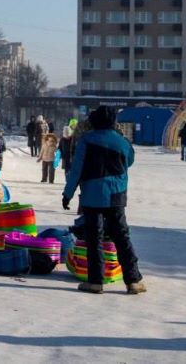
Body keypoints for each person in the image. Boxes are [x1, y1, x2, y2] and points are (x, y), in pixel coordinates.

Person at [63, 105, 146, 295]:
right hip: (116, 193)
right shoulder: (122, 142)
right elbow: (130, 160)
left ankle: (95, 282)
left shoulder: (86, 140)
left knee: (94, 238)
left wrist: (67, 194)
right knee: (122, 237)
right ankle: (133, 280)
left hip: (92, 195)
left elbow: (76, 170)